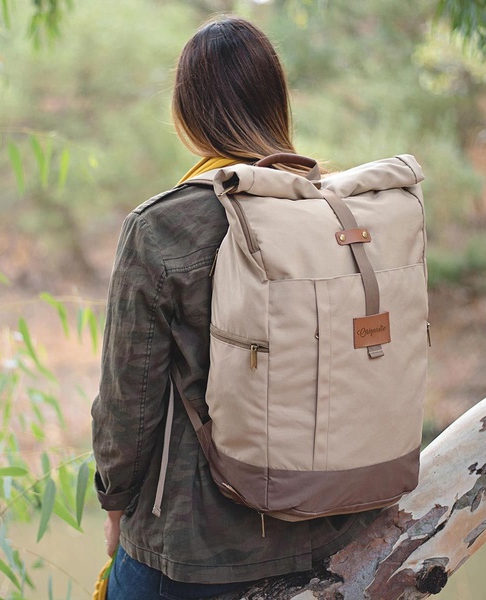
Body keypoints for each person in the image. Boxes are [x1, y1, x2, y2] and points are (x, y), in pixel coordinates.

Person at [91, 16, 377, 600]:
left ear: (188, 113)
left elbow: (130, 401)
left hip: (194, 550)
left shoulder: (161, 226)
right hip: (338, 523)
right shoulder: (340, 212)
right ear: (277, 102)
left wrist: (115, 506)